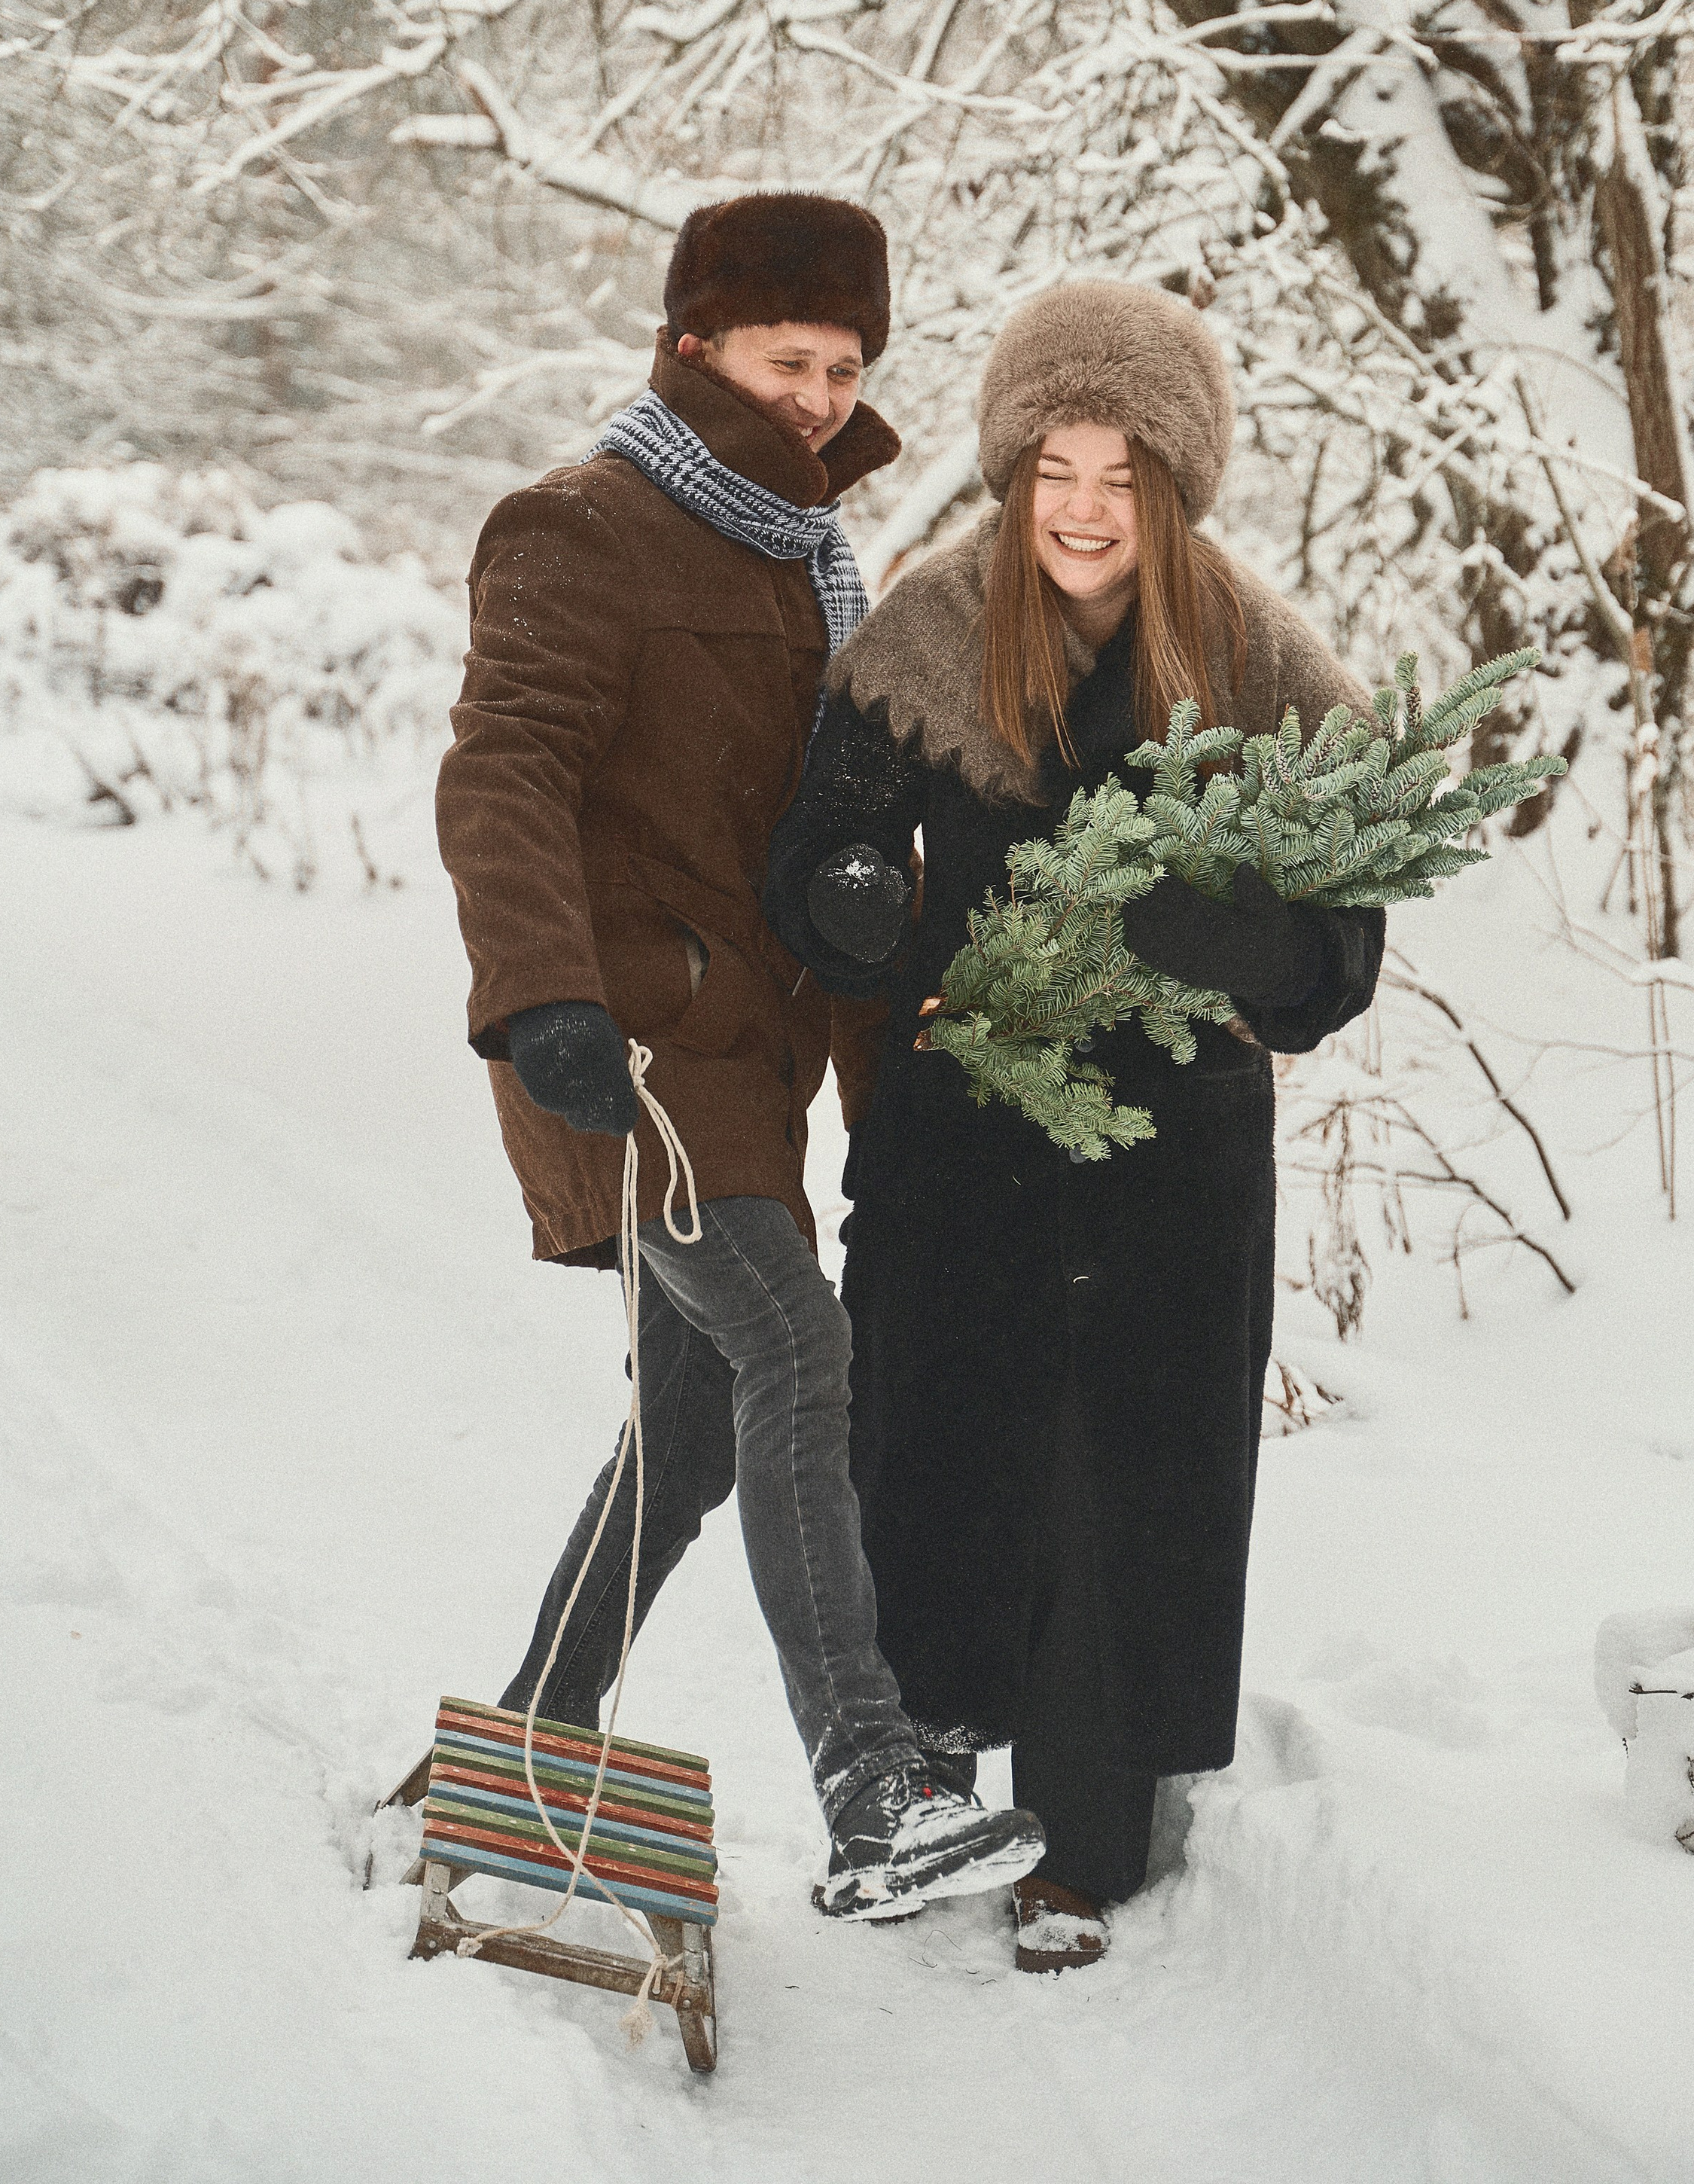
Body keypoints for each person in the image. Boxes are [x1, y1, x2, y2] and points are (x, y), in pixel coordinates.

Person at [434, 191, 1044, 1920]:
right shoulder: (581, 527)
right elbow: (502, 768)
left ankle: (539, 1730)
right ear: (693, 344)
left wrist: (893, 1033)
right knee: (795, 1348)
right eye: (789, 362)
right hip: (623, 1046)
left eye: (844, 367)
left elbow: (819, 841)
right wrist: (539, 996)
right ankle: (869, 1788)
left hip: (746, 1069)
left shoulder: (804, 556)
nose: (821, 398)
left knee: (696, 1433)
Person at [765, 276, 1384, 1971]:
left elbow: (1339, 955)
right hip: (960, 1131)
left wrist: (1221, 934)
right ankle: (926, 1795)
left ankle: (1084, 1851)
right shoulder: (927, 629)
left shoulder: (1261, 663)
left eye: (1122, 475)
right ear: (1013, 469)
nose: (1085, 508)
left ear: (1172, 488)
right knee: (935, 1453)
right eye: (1056, 469)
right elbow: (821, 851)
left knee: (1127, 1482)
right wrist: (855, 902)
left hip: (1174, 1158)